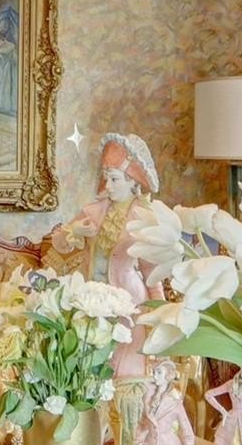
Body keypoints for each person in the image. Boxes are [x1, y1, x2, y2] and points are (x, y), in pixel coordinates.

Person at [46, 133, 160, 377]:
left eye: (114, 179)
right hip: (89, 302)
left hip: (129, 305)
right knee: (85, 369)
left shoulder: (145, 218)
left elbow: (152, 272)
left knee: (124, 370)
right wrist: (74, 231)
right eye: (106, 178)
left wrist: (160, 311)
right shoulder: (93, 211)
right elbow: (59, 245)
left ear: (132, 180)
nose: (108, 186)